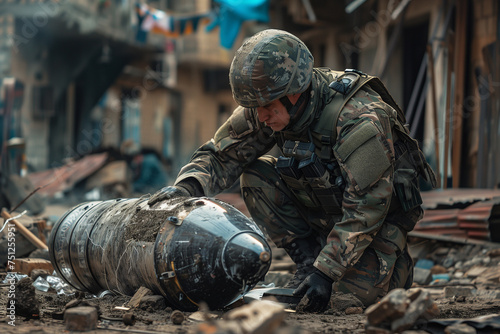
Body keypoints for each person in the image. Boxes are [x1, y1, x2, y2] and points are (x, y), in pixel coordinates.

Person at [148, 29, 436, 312]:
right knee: (256, 175)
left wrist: (327, 272)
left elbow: (367, 208)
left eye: (267, 107)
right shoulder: (269, 102)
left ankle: (392, 267)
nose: (260, 116)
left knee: (349, 300)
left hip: (376, 224)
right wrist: (188, 186)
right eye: (254, 107)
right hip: (326, 211)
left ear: (296, 92)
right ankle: (308, 260)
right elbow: (223, 154)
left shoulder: (359, 119)